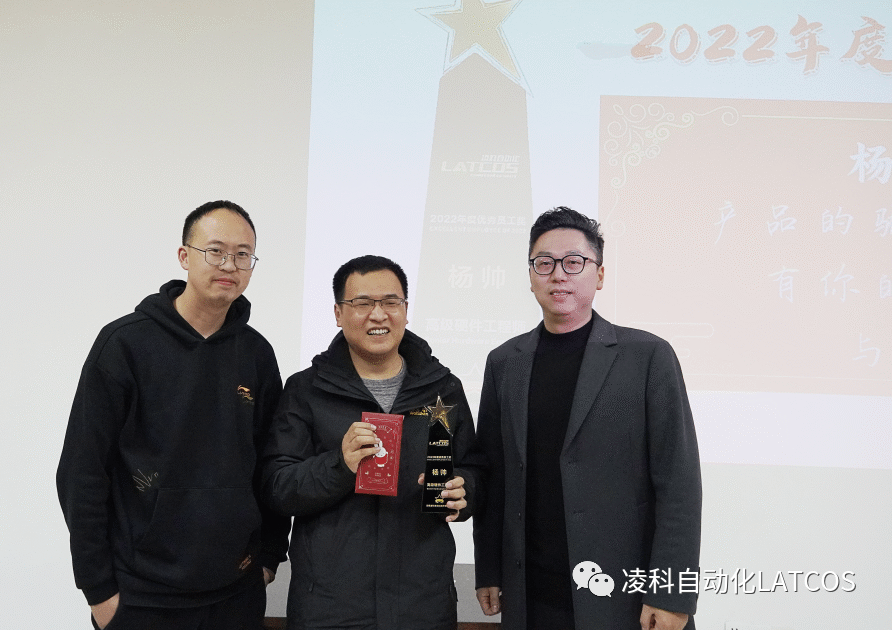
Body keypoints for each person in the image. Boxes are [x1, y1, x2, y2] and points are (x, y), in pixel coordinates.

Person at [57, 200, 289, 630]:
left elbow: (271, 462)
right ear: (184, 256)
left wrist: (270, 557)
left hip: (235, 593)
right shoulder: (124, 345)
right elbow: (82, 471)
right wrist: (99, 591)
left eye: (243, 254)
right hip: (142, 596)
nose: (230, 264)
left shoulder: (257, 354)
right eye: (215, 251)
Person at [473, 207, 702, 630]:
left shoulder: (648, 356)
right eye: (544, 263)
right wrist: (488, 568)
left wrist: (671, 593)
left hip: (625, 595)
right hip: (533, 594)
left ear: (599, 275)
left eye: (574, 262)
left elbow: (679, 484)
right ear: (530, 276)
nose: (558, 274)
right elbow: (494, 473)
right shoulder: (504, 362)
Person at [263, 255, 484, 630]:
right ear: (338, 313)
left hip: (423, 607)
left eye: (390, 302)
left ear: (406, 310)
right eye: (362, 303)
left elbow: (474, 469)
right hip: (330, 610)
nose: (378, 315)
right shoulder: (306, 390)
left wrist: (466, 491)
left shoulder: (443, 390)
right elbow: (278, 486)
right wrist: (340, 464)